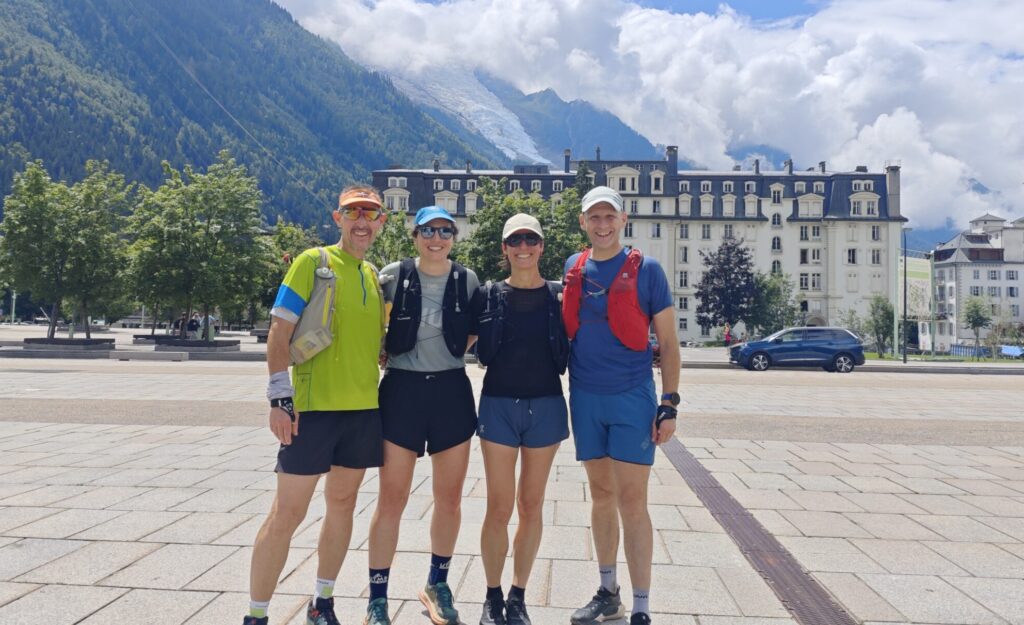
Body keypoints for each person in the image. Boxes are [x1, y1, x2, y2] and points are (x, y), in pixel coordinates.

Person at [245, 184, 389, 625]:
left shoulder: (371, 274)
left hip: (363, 410)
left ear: (381, 223)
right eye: (354, 214)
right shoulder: (313, 262)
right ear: (338, 218)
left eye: (371, 214)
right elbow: (279, 330)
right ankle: (257, 615)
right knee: (287, 512)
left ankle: (321, 603)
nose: (362, 222)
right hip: (311, 409)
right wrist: (278, 396)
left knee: (343, 505)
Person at [562, 186, 681, 625]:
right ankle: (608, 591)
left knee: (633, 501)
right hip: (586, 397)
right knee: (601, 495)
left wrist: (668, 402)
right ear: (583, 222)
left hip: (632, 397)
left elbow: (668, 343)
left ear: (623, 220)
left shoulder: (648, 271)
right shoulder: (573, 267)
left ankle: (642, 606)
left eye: (609, 216)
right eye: (594, 217)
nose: (602, 224)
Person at [365, 205, 480, 625]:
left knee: (448, 499)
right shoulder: (393, 275)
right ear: (414, 236)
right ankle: (377, 598)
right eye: (428, 230)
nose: (437, 238)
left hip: (450, 390)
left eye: (445, 231)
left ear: (454, 236)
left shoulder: (466, 280)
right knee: (391, 498)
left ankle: (438, 582)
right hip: (402, 391)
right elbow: (370, 321)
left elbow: (471, 330)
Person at [473, 214, 570, 625]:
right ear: (505, 249)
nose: (524, 247)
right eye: (516, 240)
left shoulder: (560, 296)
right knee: (498, 505)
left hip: (546, 404)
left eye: (531, 239)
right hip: (498, 404)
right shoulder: (488, 294)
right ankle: (492, 596)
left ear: (542, 247)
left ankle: (518, 595)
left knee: (531, 505)